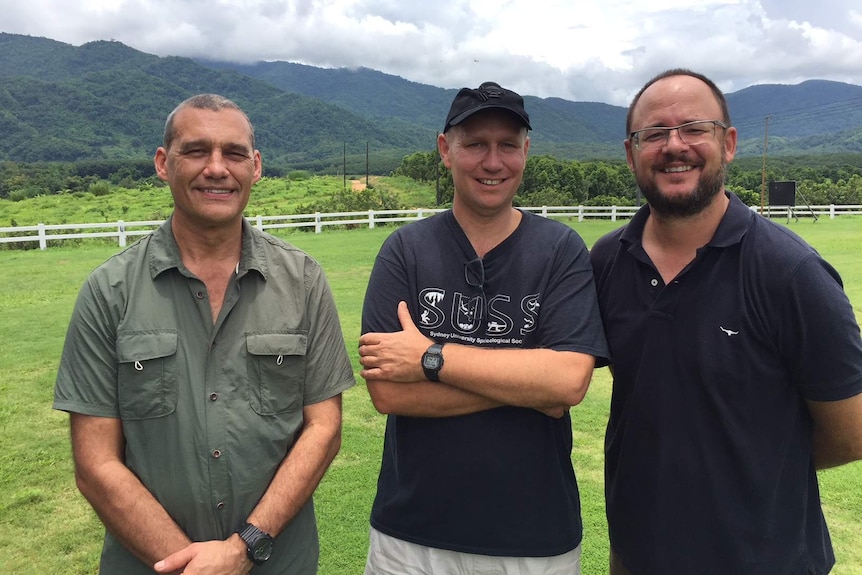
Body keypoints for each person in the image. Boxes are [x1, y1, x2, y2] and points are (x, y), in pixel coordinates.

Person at [53, 94, 355, 575]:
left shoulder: (302, 281)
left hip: (278, 562)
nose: (217, 168)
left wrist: (245, 546)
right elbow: (95, 463)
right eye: (196, 151)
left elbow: (324, 428)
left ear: (255, 167)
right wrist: (189, 565)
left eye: (234, 153)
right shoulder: (109, 291)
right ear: (162, 162)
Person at [590, 68, 862, 575]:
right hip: (638, 555)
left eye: (694, 128)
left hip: (766, 560)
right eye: (654, 133)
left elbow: (850, 434)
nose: (675, 146)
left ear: (729, 143)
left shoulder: (791, 273)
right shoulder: (608, 261)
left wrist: (757, 469)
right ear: (631, 154)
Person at [357, 81, 609, 574]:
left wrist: (432, 359)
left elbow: (568, 382)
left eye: (507, 145)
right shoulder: (405, 251)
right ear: (445, 149)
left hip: (536, 539)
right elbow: (389, 395)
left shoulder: (560, 250)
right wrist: (530, 387)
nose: (492, 162)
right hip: (409, 539)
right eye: (474, 144)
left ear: (526, 151)